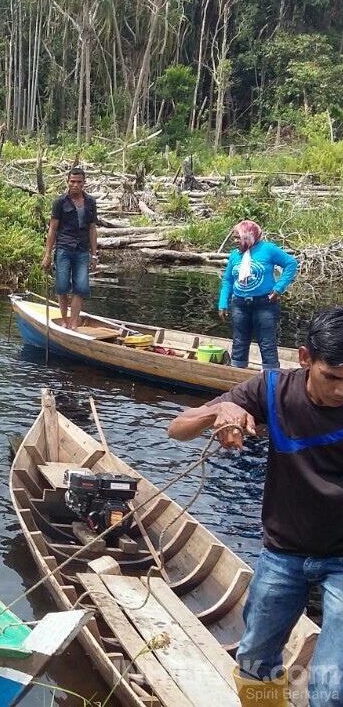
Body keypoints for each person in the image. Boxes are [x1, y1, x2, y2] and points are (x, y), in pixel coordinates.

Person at [167, 307, 343, 707]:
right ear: (304, 359)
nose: (340, 391)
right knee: (254, 660)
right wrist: (219, 411)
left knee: (332, 687)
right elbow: (177, 429)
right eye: (330, 377)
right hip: (284, 551)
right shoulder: (272, 389)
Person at [218, 220, 298, 370]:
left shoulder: (267, 249)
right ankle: (236, 374)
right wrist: (223, 303)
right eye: (234, 238)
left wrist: (278, 288)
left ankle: (271, 378)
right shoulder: (235, 255)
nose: (235, 242)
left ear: (249, 236)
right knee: (239, 342)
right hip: (239, 304)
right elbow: (228, 280)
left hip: (264, 304)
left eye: (238, 238)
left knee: (267, 342)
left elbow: (291, 263)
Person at [42, 168, 98, 330]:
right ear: (67, 182)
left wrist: (94, 255)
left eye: (79, 182)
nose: (75, 185)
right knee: (62, 287)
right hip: (64, 249)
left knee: (80, 288)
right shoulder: (60, 202)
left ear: (84, 183)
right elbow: (52, 229)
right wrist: (47, 255)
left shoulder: (90, 202)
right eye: (72, 181)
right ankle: (64, 320)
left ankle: (74, 323)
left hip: (81, 249)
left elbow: (92, 229)